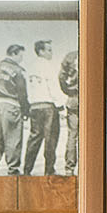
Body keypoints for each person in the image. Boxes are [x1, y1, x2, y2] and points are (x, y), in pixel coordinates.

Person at [0, 42, 29, 175]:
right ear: (14, 54)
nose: (21, 59)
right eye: (21, 56)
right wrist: (26, 110)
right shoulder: (18, 70)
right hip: (11, 105)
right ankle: (13, 169)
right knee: (13, 139)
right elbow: (22, 93)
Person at [23, 38, 61, 176]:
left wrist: (31, 103)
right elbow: (53, 86)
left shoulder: (30, 67)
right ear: (41, 51)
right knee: (50, 139)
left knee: (34, 138)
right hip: (48, 106)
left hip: (34, 106)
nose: (52, 53)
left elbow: (28, 89)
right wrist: (60, 105)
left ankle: (27, 170)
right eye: (49, 50)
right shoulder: (48, 66)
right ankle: (49, 170)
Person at [58, 44, 79, 174]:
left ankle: (69, 168)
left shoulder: (70, 56)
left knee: (72, 135)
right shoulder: (97, 52)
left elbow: (61, 77)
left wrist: (68, 91)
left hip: (73, 99)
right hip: (90, 99)